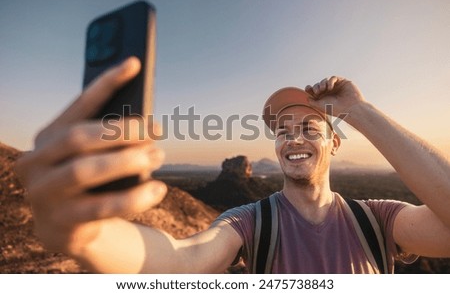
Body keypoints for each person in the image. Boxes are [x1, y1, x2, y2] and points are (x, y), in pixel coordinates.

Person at [15, 57, 450, 273]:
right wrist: (90, 235)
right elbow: (179, 260)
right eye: (282, 129)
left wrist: (358, 109)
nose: (293, 137)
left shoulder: (377, 219)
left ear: (335, 142)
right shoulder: (249, 223)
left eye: (309, 128)